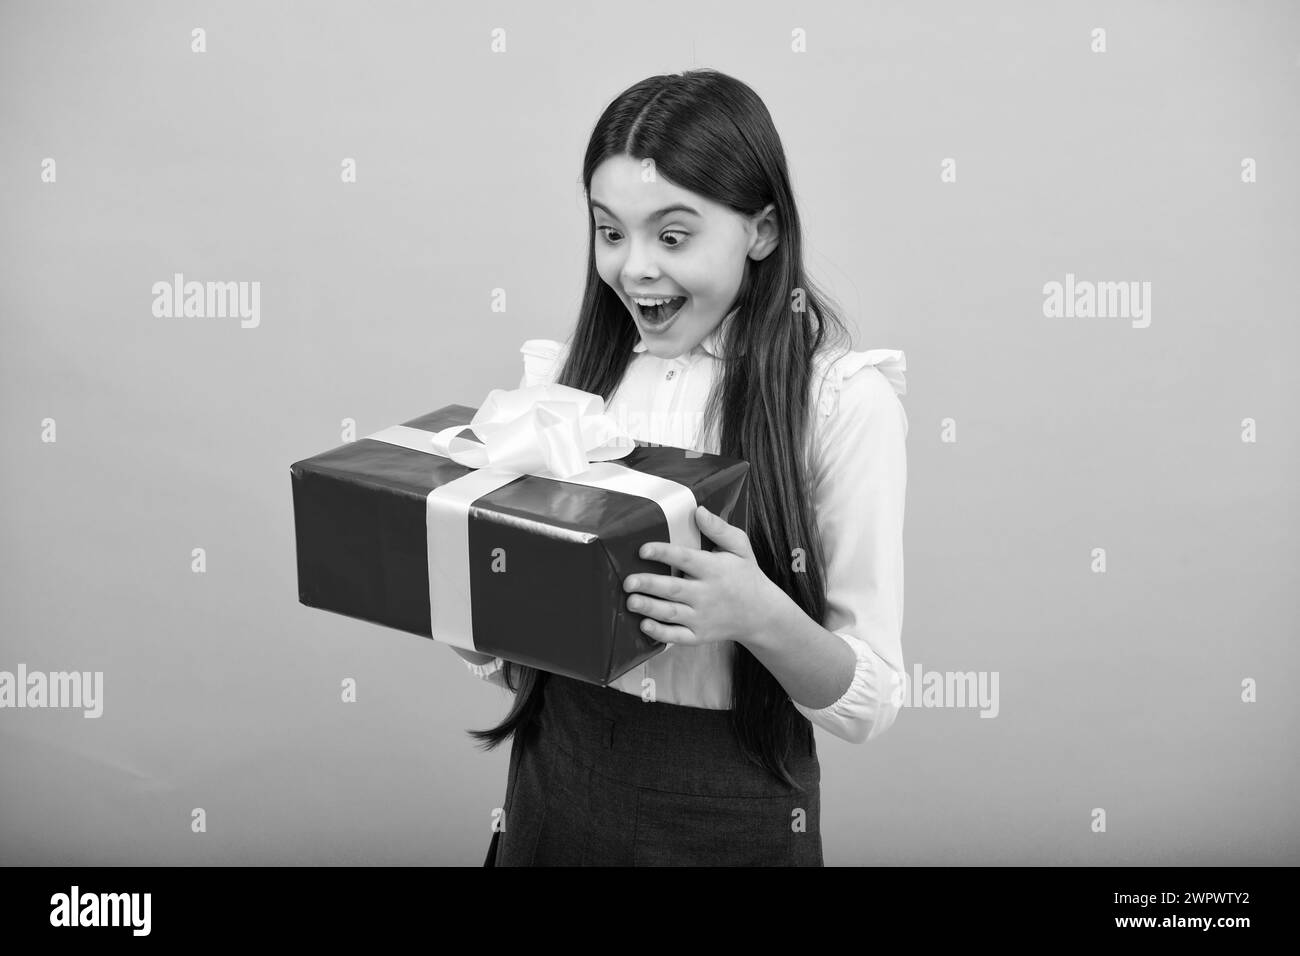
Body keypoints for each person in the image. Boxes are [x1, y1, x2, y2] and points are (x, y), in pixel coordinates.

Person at [452, 68, 908, 866]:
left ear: (761, 230)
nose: (634, 270)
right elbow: (520, 658)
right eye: (610, 231)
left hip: (733, 803)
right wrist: (470, 606)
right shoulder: (560, 383)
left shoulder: (841, 403)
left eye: (672, 235)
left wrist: (758, 613)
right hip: (554, 779)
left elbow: (867, 702)